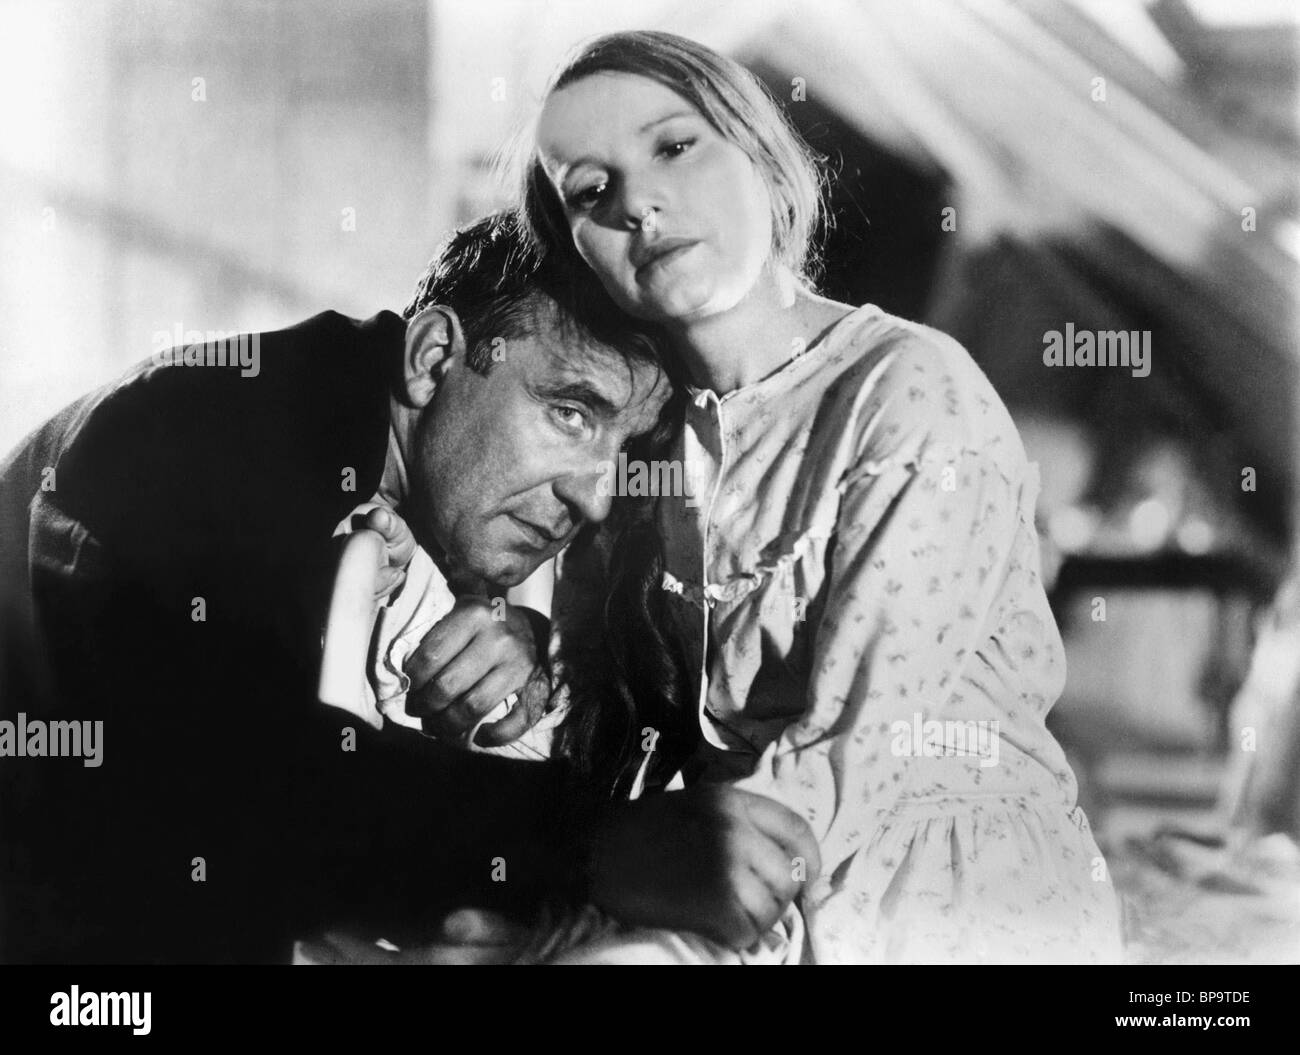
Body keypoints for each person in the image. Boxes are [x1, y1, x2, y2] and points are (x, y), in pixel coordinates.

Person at [0, 211, 818, 963]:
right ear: (432, 358)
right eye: (571, 413)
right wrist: (599, 846)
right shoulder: (211, 433)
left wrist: (544, 655)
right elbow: (247, 784)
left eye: (628, 447)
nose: (595, 496)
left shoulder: (364, 461)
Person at [520, 30, 1124, 963]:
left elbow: (865, 739)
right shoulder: (644, 445)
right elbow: (609, 717)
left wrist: (647, 887)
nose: (637, 201)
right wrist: (515, 671)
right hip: (744, 877)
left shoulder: (909, 387)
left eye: (674, 146)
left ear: (762, 158)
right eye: (591, 192)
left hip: (948, 891)